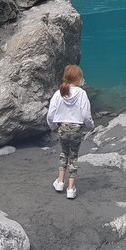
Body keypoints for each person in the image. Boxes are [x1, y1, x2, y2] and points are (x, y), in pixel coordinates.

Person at [46, 64, 94, 199]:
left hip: (63, 128)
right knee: (73, 157)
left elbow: (50, 115)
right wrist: (91, 126)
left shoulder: (58, 93)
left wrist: (53, 127)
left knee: (64, 154)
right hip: (76, 129)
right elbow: (86, 115)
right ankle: (71, 189)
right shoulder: (82, 93)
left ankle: (60, 182)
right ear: (78, 78)